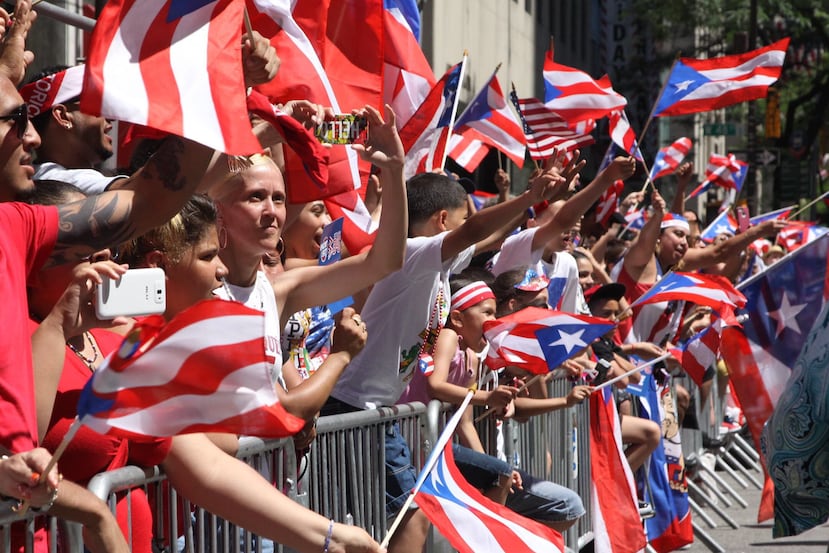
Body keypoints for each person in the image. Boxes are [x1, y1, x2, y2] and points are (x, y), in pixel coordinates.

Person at [28, 191, 383, 553]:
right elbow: (16, 460)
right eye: (86, 251)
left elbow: (206, 465)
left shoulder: (110, 343)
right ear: (34, 262)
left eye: (108, 249)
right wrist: (95, 514)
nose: (104, 259)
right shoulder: (19, 342)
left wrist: (331, 538)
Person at [322, 162, 569, 553]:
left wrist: (531, 206)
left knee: (392, 519)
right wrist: (528, 195)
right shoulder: (411, 254)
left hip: (375, 410)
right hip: (353, 405)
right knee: (411, 514)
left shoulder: (434, 265)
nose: (468, 226)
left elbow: (487, 238)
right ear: (442, 220)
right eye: (462, 217)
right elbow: (475, 231)